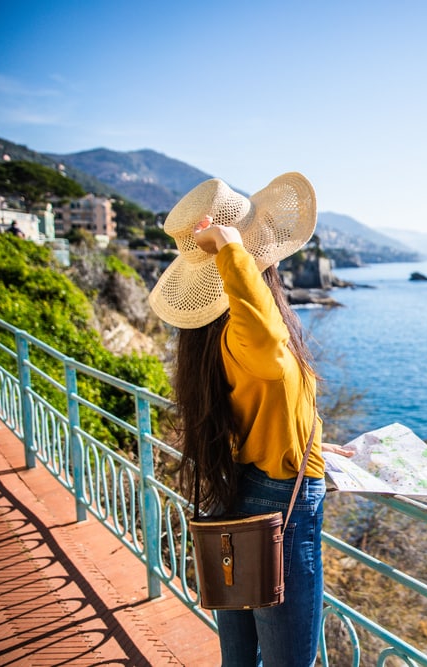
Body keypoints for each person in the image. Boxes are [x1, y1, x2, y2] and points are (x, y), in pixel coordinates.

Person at [148, 173, 350, 666]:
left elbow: (267, 404)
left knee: (239, 660)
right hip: (280, 504)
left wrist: (315, 443)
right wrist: (231, 248)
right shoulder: (248, 333)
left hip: (236, 492)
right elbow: (268, 347)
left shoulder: (212, 338)